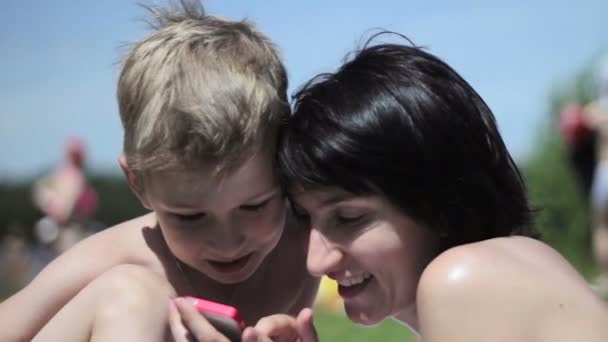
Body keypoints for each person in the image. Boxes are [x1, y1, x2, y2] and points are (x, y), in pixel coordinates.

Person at [248, 34, 608, 341]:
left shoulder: (462, 279)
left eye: (348, 217)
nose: (316, 262)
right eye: (303, 218)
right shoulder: (518, 262)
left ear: (440, 201)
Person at [0, 1, 318, 341]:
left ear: (286, 167)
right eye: (190, 217)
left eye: (254, 207)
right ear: (139, 183)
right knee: (130, 294)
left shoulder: (309, 243)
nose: (227, 243)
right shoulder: (110, 257)